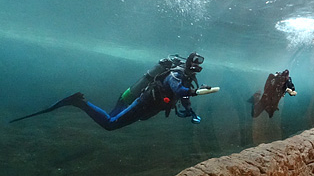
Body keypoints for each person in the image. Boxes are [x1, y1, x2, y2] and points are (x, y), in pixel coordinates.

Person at [10, 52, 214, 129]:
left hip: (133, 97)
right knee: (110, 124)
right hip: (141, 102)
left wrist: (191, 112)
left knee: (111, 116)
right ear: (187, 65)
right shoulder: (176, 75)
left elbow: (182, 95)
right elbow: (179, 89)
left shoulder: (185, 76)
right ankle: (79, 102)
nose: (196, 70)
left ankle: (77, 101)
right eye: (194, 67)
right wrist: (198, 93)